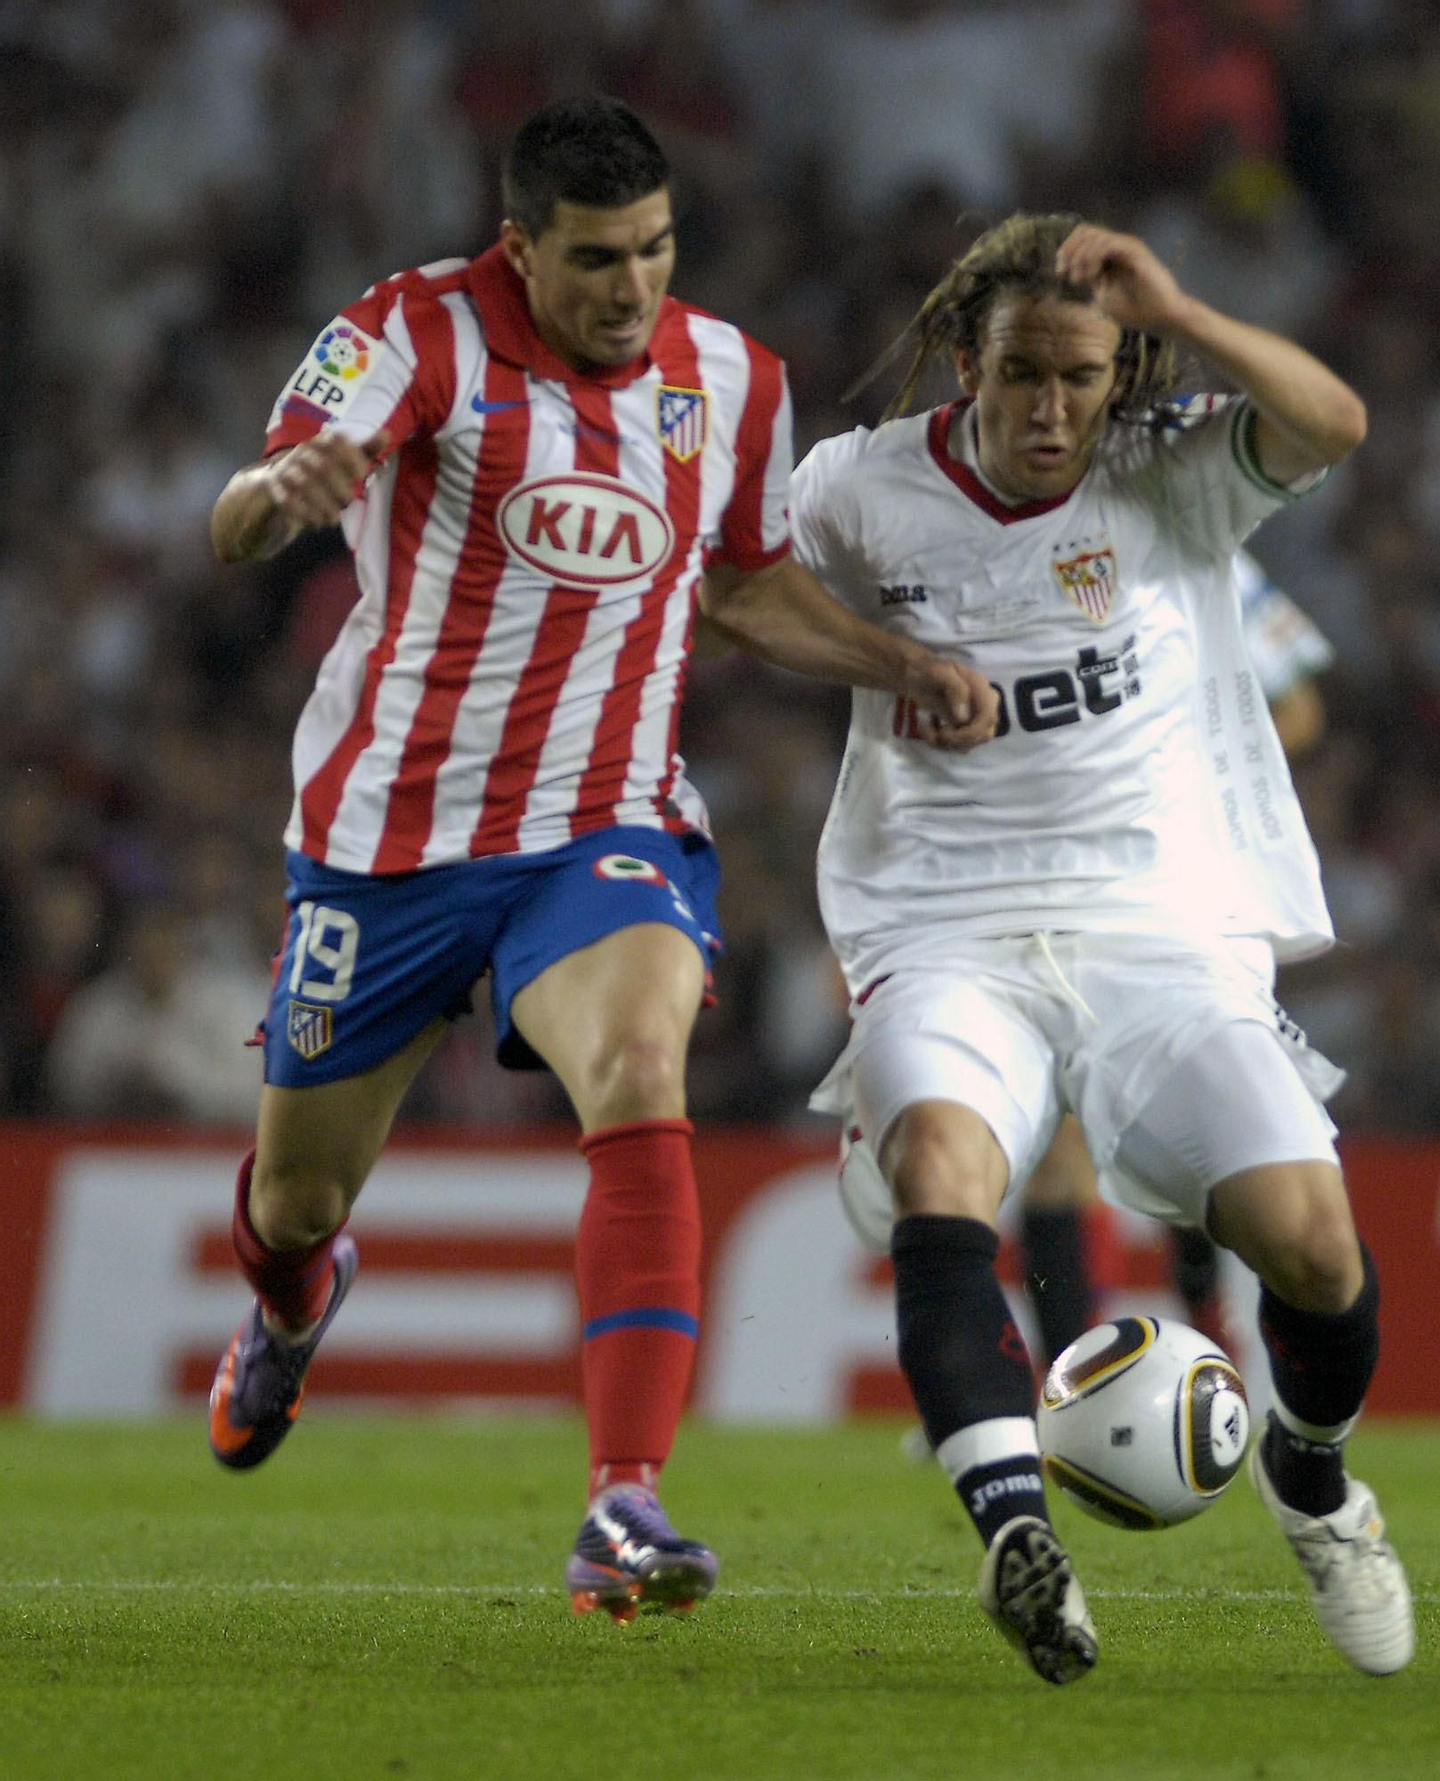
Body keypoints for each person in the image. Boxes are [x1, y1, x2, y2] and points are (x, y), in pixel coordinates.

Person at [204, 95, 996, 1624]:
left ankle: (621, 1501)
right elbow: (246, 517)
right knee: (296, 1204)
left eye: (654, 249)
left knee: (642, 1069)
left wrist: (893, 661)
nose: (631, 287)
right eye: (593, 260)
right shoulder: (411, 334)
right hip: (389, 845)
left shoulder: (730, 377)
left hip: (603, 820)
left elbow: (748, 589)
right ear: (520, 247)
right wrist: (273, 499)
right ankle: (295, 1305)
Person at [794, 212, 1412, 1684]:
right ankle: (1017, 1527)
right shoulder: (859, 487)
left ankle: (1313, 1480)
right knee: (949, 1173)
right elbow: (731, 594)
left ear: (1117, 374)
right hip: (944, 922)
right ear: (966, 364)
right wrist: (897, 663)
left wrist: (1181, 307)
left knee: (1317, 1253)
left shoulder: (1171, 470)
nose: (1052, 409)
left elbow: (1334, 419)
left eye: (1082, 377)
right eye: (1022, 376)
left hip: (1164, 928)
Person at [1018, 551, 1336, 1365]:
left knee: (1187, 1120)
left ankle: (1203, 1303)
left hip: (1187, 887)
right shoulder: (1009, 540)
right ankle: (1070, 1383)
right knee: (1060, 1139)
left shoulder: (1202, 543)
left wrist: (1189, 758)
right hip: (1053, 882)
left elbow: (1299, 707)